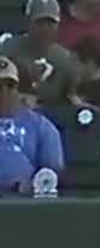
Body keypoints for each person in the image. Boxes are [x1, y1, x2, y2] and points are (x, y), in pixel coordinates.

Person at [0, 57, 64, 195]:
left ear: (18, 89)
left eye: (9, 85)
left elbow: (51, 172)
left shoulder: (41, 126)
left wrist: (31, 185)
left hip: (22, 202)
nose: (4, 91)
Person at [1, 0, 77, 107]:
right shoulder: (8, 50)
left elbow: (71, 99)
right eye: (39, 23)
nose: (45, 29)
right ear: (28, 22)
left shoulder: (64, 59)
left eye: (50, 23)